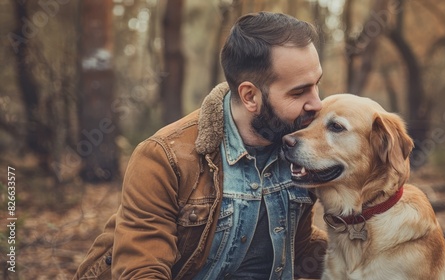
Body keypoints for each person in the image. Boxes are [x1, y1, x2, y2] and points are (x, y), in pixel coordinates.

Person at [73, 11, 326, 280]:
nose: (317, 103)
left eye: (316, 85)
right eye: (299, 92)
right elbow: (141, 271)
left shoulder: (301, 145)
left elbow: (298, 244)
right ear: (250, 96)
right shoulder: (163, 158)